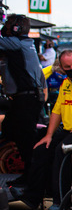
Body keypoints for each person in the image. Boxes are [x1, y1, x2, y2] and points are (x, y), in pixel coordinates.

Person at [12, 49, 72, 210]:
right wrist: (48, 135)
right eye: (67, 66)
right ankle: (33, 196)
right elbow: (57, 110)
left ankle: (60, 201)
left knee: (60, 151)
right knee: (41, 148)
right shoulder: (66, 83)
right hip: (68, 129)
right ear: (61, 68)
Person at [0, 14, 46, 182]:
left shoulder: (17, 44)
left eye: (7, 26)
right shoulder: (24, 44)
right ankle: (28, 174)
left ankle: (31, 178)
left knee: (25, 140)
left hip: (26, 99)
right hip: (26, 98)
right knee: (11, 130)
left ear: (15, 29)